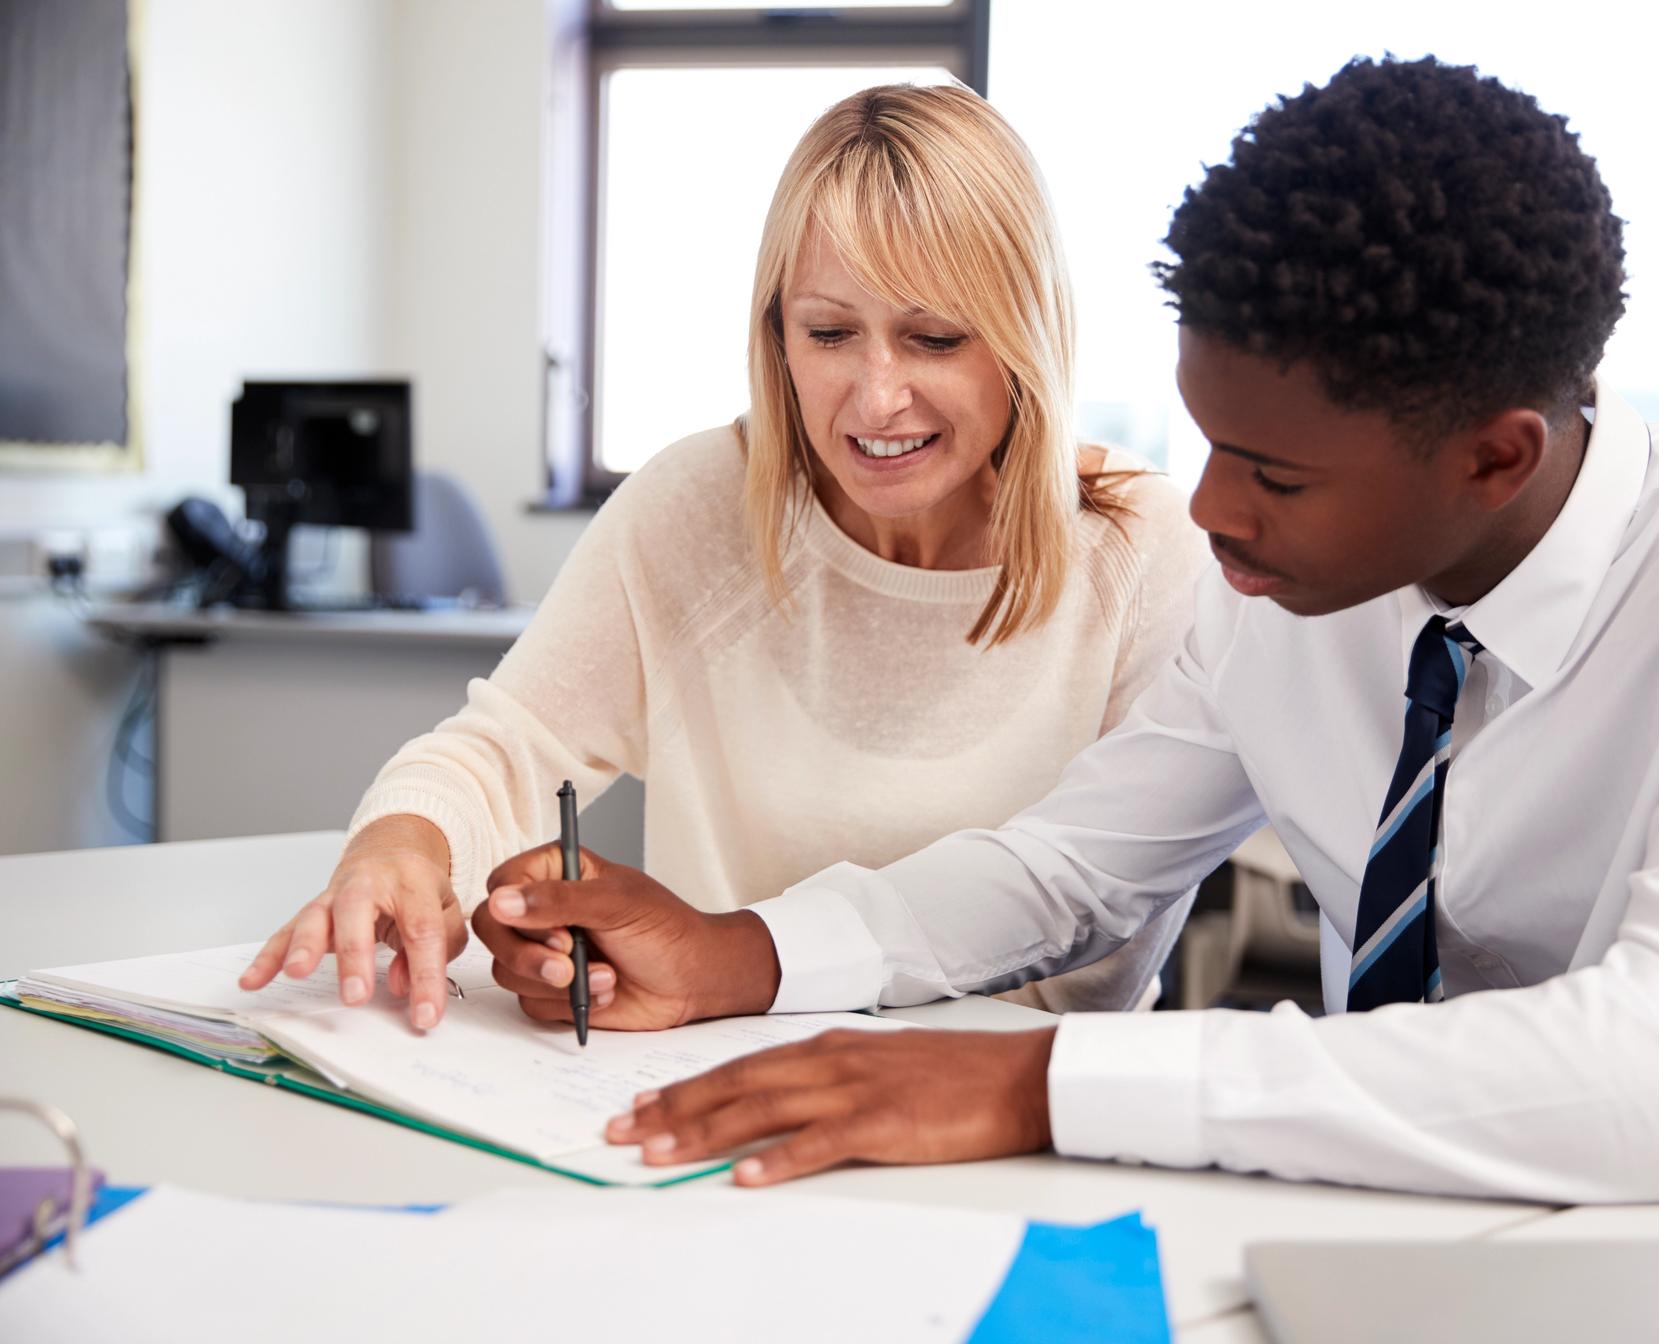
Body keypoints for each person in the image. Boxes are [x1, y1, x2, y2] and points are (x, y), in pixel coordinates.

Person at [472, 57, 1659, 1221]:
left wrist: (1048, 1083)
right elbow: (1064, 872)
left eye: (1276, 476)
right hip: (1393, 1242)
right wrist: (742, 952)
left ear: (1495, 458)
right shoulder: (1278, 587)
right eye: (1210, 442)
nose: (1213, 510)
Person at [237, 84, 1208, 1026]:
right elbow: (508, 749)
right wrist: (404, 840)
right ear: (777, 334)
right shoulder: (701, 504)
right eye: (829, 332)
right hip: (709, 1093)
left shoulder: (1140, 549)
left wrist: (723, 966)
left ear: (1025, 337)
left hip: (1006, 1114)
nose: (876, 399)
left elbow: (1097, 965)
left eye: (933, 338)